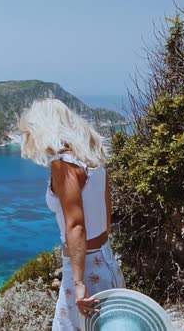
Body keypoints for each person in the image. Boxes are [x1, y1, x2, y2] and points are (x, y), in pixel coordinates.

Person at [19, 98, 125, 330]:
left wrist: (78, 282)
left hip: (84, 269)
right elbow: (106, 214)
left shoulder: (63, 165)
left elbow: (76, 225)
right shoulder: (92, 158)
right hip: (106, 260)